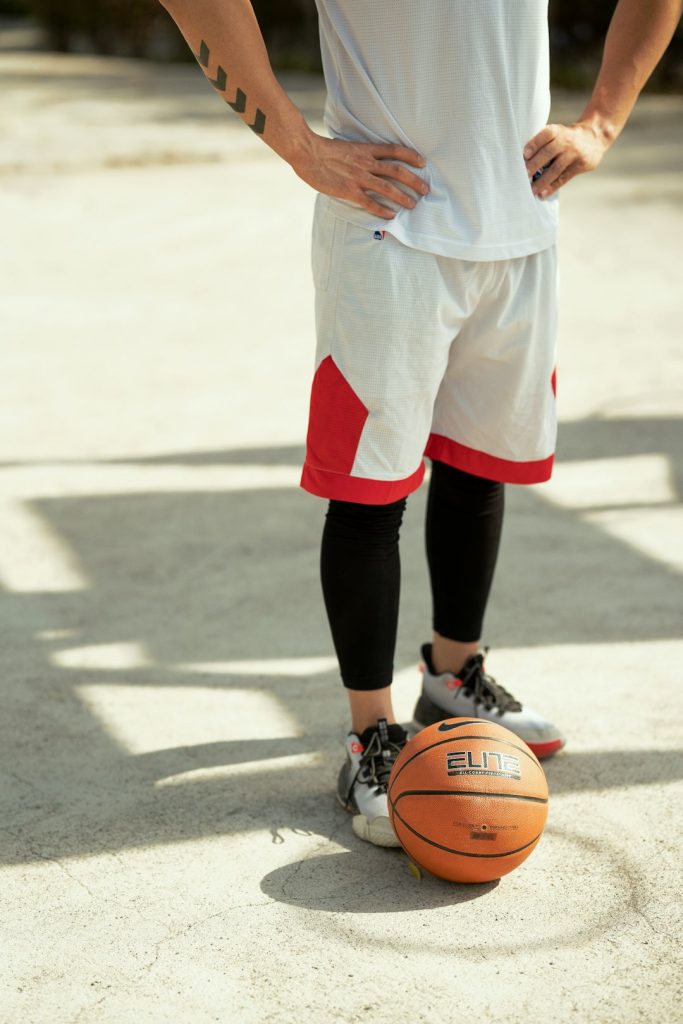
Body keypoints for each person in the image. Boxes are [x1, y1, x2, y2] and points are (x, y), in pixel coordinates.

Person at [158, 0, 682, 847]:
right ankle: (371, 734)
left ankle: (450, 675)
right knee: (371, 493)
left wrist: (601, 121)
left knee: (480, 467)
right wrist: (297, 143)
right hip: (388, 226)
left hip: (520, 225)